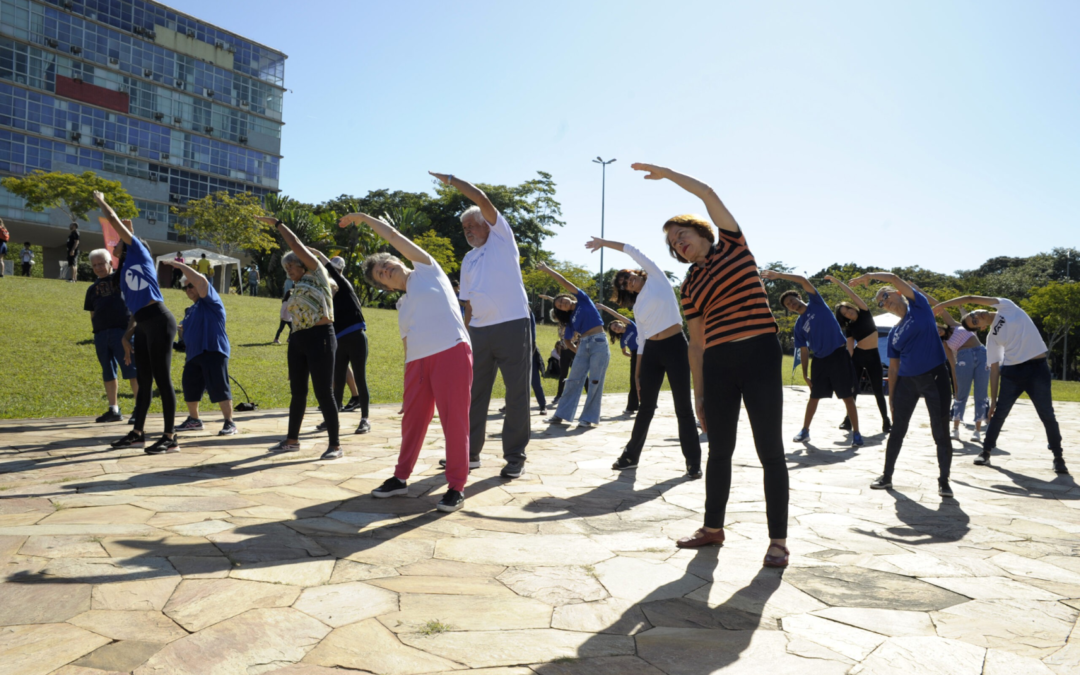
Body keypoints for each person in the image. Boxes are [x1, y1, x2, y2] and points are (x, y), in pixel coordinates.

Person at [634, 162, 789, 567]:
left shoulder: (735, 246)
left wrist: (667, 174)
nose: (678, 244)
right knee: (719, 450)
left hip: (759, 353)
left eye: (681, 234)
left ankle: (778, 540)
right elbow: (697, 343)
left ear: (701, 231)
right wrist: (698, 393)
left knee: (769, 450)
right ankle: (712, 527)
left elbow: (707, 192)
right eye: (672, 243)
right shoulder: (689, 286)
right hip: (719, 363)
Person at [351, 211, 472, 513]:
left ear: (399, 260)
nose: (385, 268)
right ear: (385, 286)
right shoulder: (401, 305)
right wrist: (409, 385)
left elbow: (392, 236)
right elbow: (407, 344)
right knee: (412, 422)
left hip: (451, 352)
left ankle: (456, 485)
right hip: (417, 365)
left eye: (386, 263)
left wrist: (365, 218)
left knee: (453, 421)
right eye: (380, 273)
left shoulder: (428, 270)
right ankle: (401, 477)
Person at [430, 171, 531, 479]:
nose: (468, 230)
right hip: (479, 332)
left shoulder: (503, 238)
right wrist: (464, 334)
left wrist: (451, 180)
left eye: (472, 224)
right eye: (464, 228)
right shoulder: (468, 259)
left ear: (488, 224)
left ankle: (514, 456)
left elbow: (481, 199)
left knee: (516, 394)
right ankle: (468, 454)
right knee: (472, 395)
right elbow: (468, 304)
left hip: (513, 325)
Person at [588, 237, 703, 475]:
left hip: (675, 347)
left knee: (683, 406)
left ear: (637, 273)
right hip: (651, 352)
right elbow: (641, 340)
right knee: (645, 407)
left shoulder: (657, 277)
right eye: (624, 284)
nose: (627, 282)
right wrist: (638, 373)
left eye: (627, 276)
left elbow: (631, 250)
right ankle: (631, 456)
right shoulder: (638, 306)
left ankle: (693, 461)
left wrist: (603, 243)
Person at [935, 295, 1068, 474]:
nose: (976, 316)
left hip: (1038, 369)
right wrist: (994, 399)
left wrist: (941, 306)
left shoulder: (1006, 307)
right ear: (980, 328)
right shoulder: (992, 338)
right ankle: (986, 451)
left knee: (1047, 414)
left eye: (973, 314)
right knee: (998, 415)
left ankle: (1058, 457)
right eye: (974, 321)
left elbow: (969, 297)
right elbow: (995, 369)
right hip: (1012, 373)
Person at [849, 272, 953, 496]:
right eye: (880, 302)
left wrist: (869, 276)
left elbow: (894, 277)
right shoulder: (895, 332)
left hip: (935, 377)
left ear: (898, 293)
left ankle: (944, 481)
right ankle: (887, 476)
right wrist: (892, 399)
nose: (884, 303)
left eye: (885, 296)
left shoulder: (920, 308)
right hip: (907, 382)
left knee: (940, 431)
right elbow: (894, 368)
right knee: (897, 430)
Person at [94, 191, 179, 455]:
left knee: (162, 380)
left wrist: (101, 200)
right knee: (144, 381)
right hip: (143, 324)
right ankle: (137, 434)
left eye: (118, 242)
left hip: (160, 321)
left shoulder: (140, 253)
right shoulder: (124, 270)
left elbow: (114, 219)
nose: (114, 246)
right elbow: (135, 309)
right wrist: (126, 335)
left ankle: (170, 437)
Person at [259, 216, 342, 460]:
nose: (289, 271)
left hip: (320, 338)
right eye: (286, 269)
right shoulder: (295, 288)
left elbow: (296, 244)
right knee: (297, 391)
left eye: (292, 267)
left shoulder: (317, 275)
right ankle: (292, 440)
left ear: (304, 264)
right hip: (298, 340)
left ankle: (335, 445)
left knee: (323, 392)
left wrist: (278, 224)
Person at [763, 271, 864, 448]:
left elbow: (802, 280)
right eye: (788, 304)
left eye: (792, 300)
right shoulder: (799, 326)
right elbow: (803, 350)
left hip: (838, 355)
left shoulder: (817, 304)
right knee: (814, 397)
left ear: (799, 296)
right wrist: (804, 374)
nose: (791, 304)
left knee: (847, 396)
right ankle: (805, 431)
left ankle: (856, 432)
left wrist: (778, 275)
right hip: (820, 360)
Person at [167, 260, 237, 437]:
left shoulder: (211, 300)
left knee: (220, 387)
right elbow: (184, 334)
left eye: (191, 285)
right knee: (190, 386)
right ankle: (194, 420)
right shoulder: (190, 310)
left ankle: (230, 422)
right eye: (186, 288)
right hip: (194, 354)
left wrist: (181, 266)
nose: (189, 289)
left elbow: (201, 281)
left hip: (213, 350)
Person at [539, 262, 609, 428]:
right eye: (559, 305)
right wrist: (577, 351)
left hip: (599, 342)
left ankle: (589, 418)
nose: (562, 303)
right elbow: (567, 340)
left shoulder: (584, 300)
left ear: (568, 297)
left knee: (595, 381)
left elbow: (564, 282)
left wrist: (547, 269)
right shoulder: (570, 320)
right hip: (583, 345)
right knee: (572, 381)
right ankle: (560, 415)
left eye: (563, 300)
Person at [309, 253, 370, 433]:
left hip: (357, 337)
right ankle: (331, 420)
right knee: (337, 382)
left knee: (360, 378)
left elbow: (329, 270)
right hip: (339, 341)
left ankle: (365, 419)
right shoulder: (328, 299)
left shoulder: (344, 285)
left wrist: (316, 253)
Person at [829, 275, 891, 433]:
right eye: (845, 314)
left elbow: (853, 295)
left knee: (878, 390)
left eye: (848, 309)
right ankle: (848, 420)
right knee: (853, 390)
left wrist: (837, 282)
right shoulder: (849, 327)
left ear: (852, 307)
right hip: (858, 357)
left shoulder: (865, 313)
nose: (848, 313)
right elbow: (850, 345)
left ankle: (886, 421)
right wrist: (848, 363)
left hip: (873, 357)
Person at [84, 248, 139, 423]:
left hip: (122, 332)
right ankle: (113, 409)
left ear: (110, 263)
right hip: (101, 335)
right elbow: (92, 313)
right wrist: (98, 331)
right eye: (95, 265)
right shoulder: (91, 289)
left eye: (101, 263)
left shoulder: (121, 280)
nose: (98, 267)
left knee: (132, 371)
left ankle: (140, 408)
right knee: (108, 372)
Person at [927, 297, 988, 442]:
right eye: (935, 331)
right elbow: (953, 364)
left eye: (937, 327)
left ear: (941, 325)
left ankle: (977, 431)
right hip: (964, 359)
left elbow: (938, 304)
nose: (938, 330)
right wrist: (955, 383)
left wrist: (916, 288)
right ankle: (955, 428)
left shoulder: (954, 325)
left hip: (981, 353)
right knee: (961, 395)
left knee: (981, 394)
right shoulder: (945, 344)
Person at [600, 306, 639, 414]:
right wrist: (632, 356)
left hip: (646, 351)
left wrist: (604, 308)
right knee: (634, 380)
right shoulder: (622, 340)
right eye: (614, 329)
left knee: (648, 378)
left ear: (621, 322)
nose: (617, 328)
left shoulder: (631, 326)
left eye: (616, 325)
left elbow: (617, 315)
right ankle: (632, 407)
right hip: (636, 355)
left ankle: (651, 404)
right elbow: (624, 352)